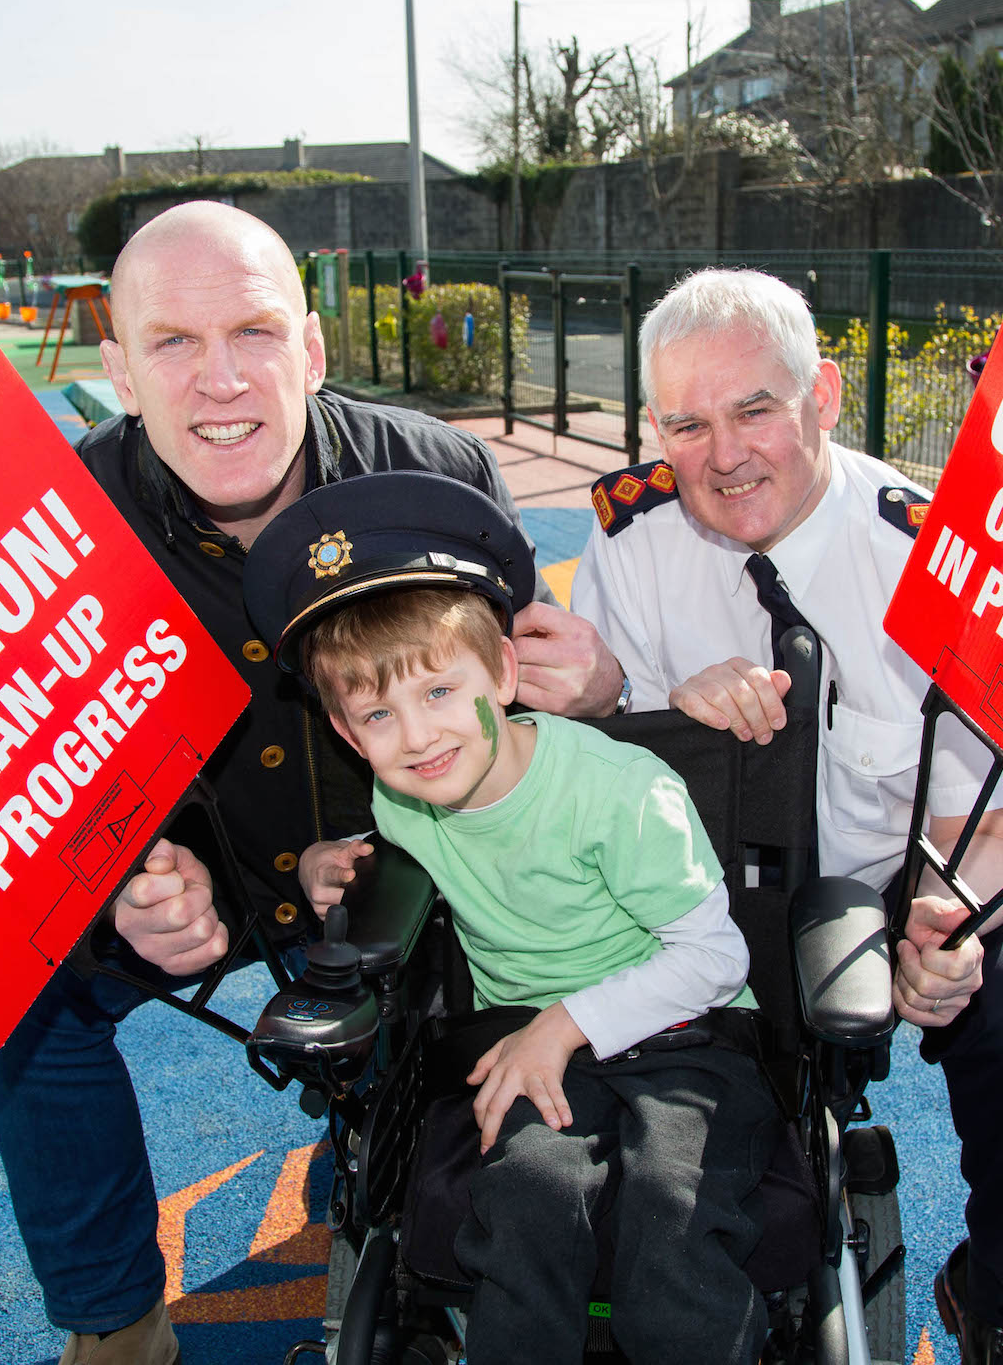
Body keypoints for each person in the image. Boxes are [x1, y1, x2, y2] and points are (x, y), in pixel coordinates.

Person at [0, 201, 621, 1365]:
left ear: (311, 349)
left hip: (400, 853)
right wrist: (114, 869)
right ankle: (115, 1324)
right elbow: (15, 768)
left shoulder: (443, 478)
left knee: (474, 976)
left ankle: (393, 1139)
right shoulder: (52, 526)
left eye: (256, 333)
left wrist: (594, 686)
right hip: (192, 866)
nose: (220, 381)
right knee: (19, 996)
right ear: (118, 368)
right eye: (173, 342)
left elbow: (509, 723)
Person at [571, 269, 1003, 1365]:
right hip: (699, 866)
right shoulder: (627, 538)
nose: (721, 454)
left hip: (903, 857)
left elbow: (979, 806)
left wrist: (942, 924)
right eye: (686, 423)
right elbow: (595, 756)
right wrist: (651, 710)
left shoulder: (933, 556)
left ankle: (991, 1285)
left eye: (754, 408)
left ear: (825, 397)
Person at [245, 472, 779, 1365]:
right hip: (525, 1038)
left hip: (688, 1036)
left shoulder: (620, 792)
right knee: (526, 1200)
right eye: (379, 712)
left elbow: (715, 957)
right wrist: (325, 859)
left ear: (501, 671)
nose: (417, 736)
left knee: (670, 1215)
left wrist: (564, 1026)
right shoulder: (402, 796)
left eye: (440, 692)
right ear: (346, 731)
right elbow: (388, 840)